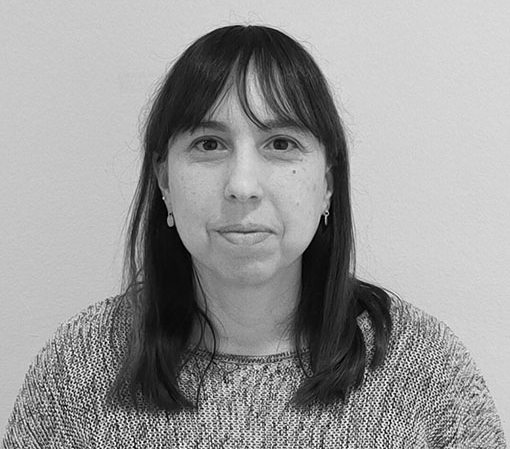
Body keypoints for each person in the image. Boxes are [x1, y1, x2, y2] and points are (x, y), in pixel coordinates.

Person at [2, 25, 506, 448]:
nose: (243, 185)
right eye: (209, 144)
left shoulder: (423, 369)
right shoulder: (79, 367)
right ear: (164, 181)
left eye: (280, 143)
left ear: (328, 183)